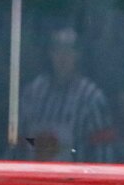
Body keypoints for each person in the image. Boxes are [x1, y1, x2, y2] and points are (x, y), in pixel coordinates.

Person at [15, 27, 114, 163]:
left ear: (78, 55)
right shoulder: (32, 93)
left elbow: (103, 156)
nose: (63, 57)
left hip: (75, 182)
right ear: (50, 54)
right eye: (58, 50)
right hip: (33, 181)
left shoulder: (92, 99)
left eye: (69, 50)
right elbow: (17, 145)